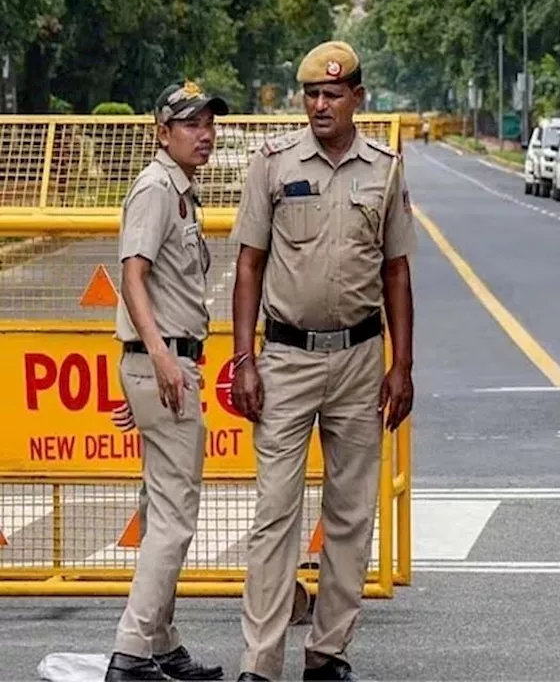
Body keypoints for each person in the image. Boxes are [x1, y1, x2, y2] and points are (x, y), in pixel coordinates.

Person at [229, 40, 418, 682]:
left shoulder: (385, 170)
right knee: (274, 514)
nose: (319, 105)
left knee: (351, 515)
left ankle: (328, 654)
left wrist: (403, 364)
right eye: (311, 94)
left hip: (363, 360)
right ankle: (260, 664)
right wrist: (243, 360)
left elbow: (397, 271)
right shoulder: (273, 164)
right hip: (285, 358)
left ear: (357, 98)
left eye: (332, 94)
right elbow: (248, 264)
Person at [106, 81, 228, 682]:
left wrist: (144, 368)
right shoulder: (156, 189)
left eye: (208, 123)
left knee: (160, 511)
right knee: (176, 516)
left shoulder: (182, 191)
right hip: (168, 365)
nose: (204, 133)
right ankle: (132, 652)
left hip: (165, 365)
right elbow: (132, 276)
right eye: (190, 124)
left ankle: (160, 644)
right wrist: (157, 360)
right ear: (162, 132)